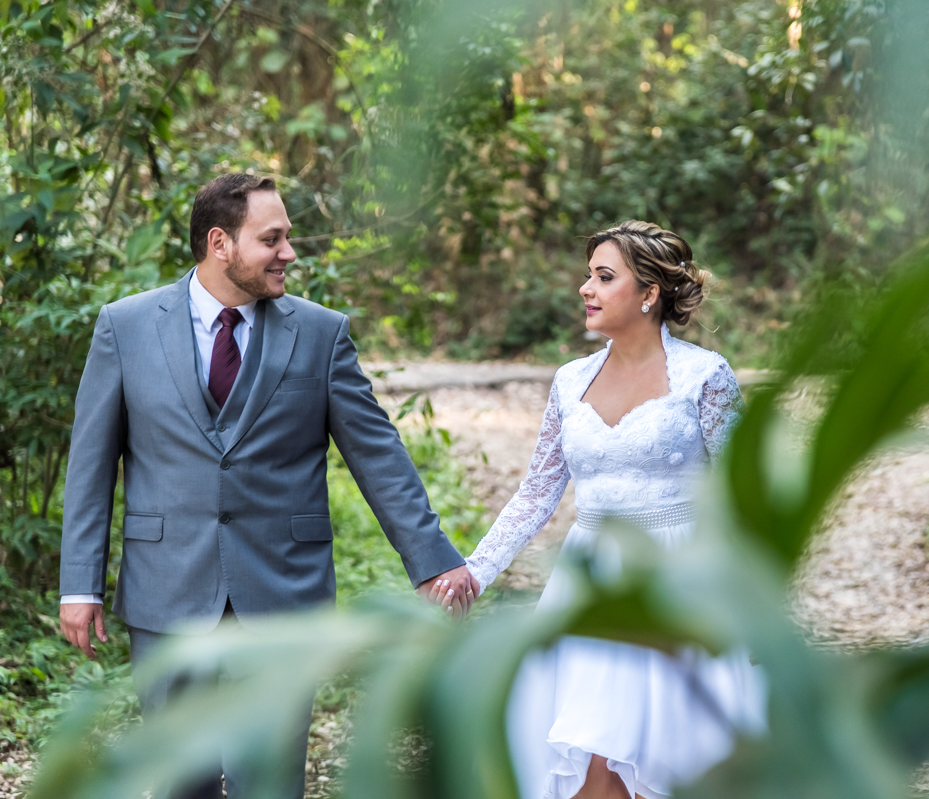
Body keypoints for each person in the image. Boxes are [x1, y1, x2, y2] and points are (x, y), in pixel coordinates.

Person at [57, 173, 479, 799]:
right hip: (165, 589)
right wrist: (79, 583)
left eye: (288, 237)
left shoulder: (320, 332)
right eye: (272, 239)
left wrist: (432, 562)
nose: (289, 253)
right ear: (220, 243)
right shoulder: (127, 326)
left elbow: (378, 455)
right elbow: (90, 466)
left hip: (283, 592)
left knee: (271, 782)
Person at [431, 221, 766, 799]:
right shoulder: (570, 381)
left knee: (664, 770)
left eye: (603, 277)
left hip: (676, 586)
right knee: (594, 772)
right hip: (587, 591)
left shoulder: (704, 377)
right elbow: (537, 492)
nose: (586, 288)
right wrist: (476, 571)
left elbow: (745, 496)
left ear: (648, 293)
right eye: (588, 275)